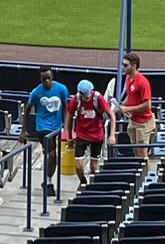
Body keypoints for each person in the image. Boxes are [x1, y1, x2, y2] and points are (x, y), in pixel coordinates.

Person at [25, 67, 69, 196]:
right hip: (43, 128)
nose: (47, 81)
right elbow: (28, 109)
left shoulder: (61, 89)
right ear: (40, 79)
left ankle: (48, 181)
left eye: (49, 78)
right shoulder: (36, 92)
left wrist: (66, 127)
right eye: (44, 79)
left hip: (57, 127)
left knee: (53, 157)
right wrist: (24, 130)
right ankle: (48, 182)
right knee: (52, 155)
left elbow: (66, 109)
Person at [65, 79, 110, 188]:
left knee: (94, 167)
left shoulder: (98, 98)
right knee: (78, 166)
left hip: (97, 135)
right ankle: (83, 181)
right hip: (81, 134)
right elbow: (69, 115)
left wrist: (111, 135)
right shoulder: (76, 99)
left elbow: (111, 115)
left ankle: (94, 187)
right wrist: (70, 136)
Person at [119, 52, 155, 159]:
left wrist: (127, 108)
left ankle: (145, 175)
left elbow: (147, 105)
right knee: (136, 151)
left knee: (142, 154)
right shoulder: (128, 79)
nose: (123, 67)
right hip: (133, 121)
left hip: (143, 123)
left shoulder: (143, 82)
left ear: (134, 66)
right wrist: (121, 106)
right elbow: (130, 96)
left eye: (126, 65)